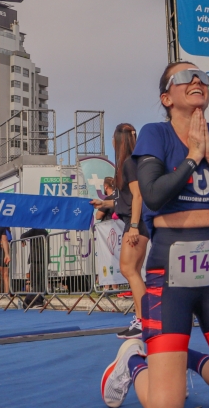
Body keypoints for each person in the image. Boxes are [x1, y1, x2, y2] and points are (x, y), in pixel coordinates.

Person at [101, 62, 209, 408]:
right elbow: (155, 195)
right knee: (166, 405)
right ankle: (133, 360)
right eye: (184, 77)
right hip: (168, 274)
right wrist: (191, 159)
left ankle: (183, 357)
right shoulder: (154, 134)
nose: (196, 80)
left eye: (202, 77)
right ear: (166, 98)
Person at [91, 124, 149, 340]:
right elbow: (124, 201)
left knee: (128, 270)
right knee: (133, 271)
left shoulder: (128, 163)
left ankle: (143, 321)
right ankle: (141, 319)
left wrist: (133, 226)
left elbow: (138, 195)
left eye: (113, 139)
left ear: (118, 141)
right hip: (136, 223)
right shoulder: (129, 163)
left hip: (137, 225)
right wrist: (103, 204)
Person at [19, 228, 49, 309]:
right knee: (41, 281)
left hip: (36, 259)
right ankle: (39, 300)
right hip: (44, 259)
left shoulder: (34, 230)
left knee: (35, 281)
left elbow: (23, 235)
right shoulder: (45, 231)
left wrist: (23, 241)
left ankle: (36, 301)